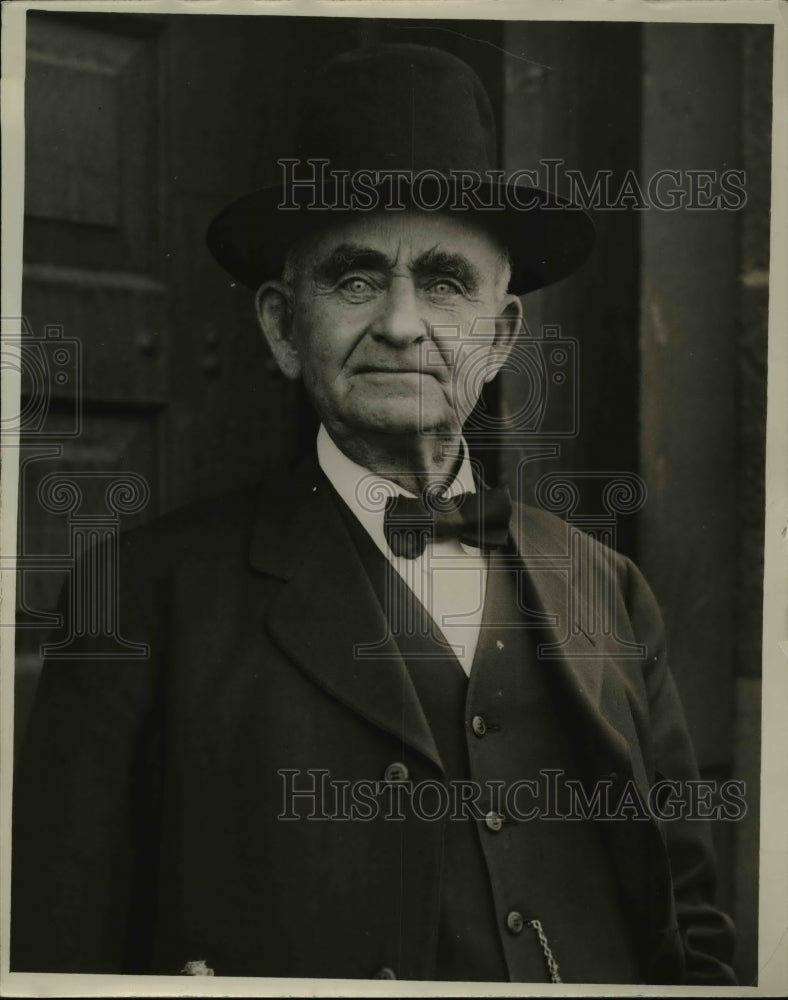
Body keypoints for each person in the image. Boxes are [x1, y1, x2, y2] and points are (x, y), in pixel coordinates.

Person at [11, 44, 736, 985]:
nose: (400, 323)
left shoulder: (610, 589)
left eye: (444, 283)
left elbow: (693, 933)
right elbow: (56, 948)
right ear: (279, 324)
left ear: (503, 332)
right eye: (354, 281)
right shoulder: (141, 600)